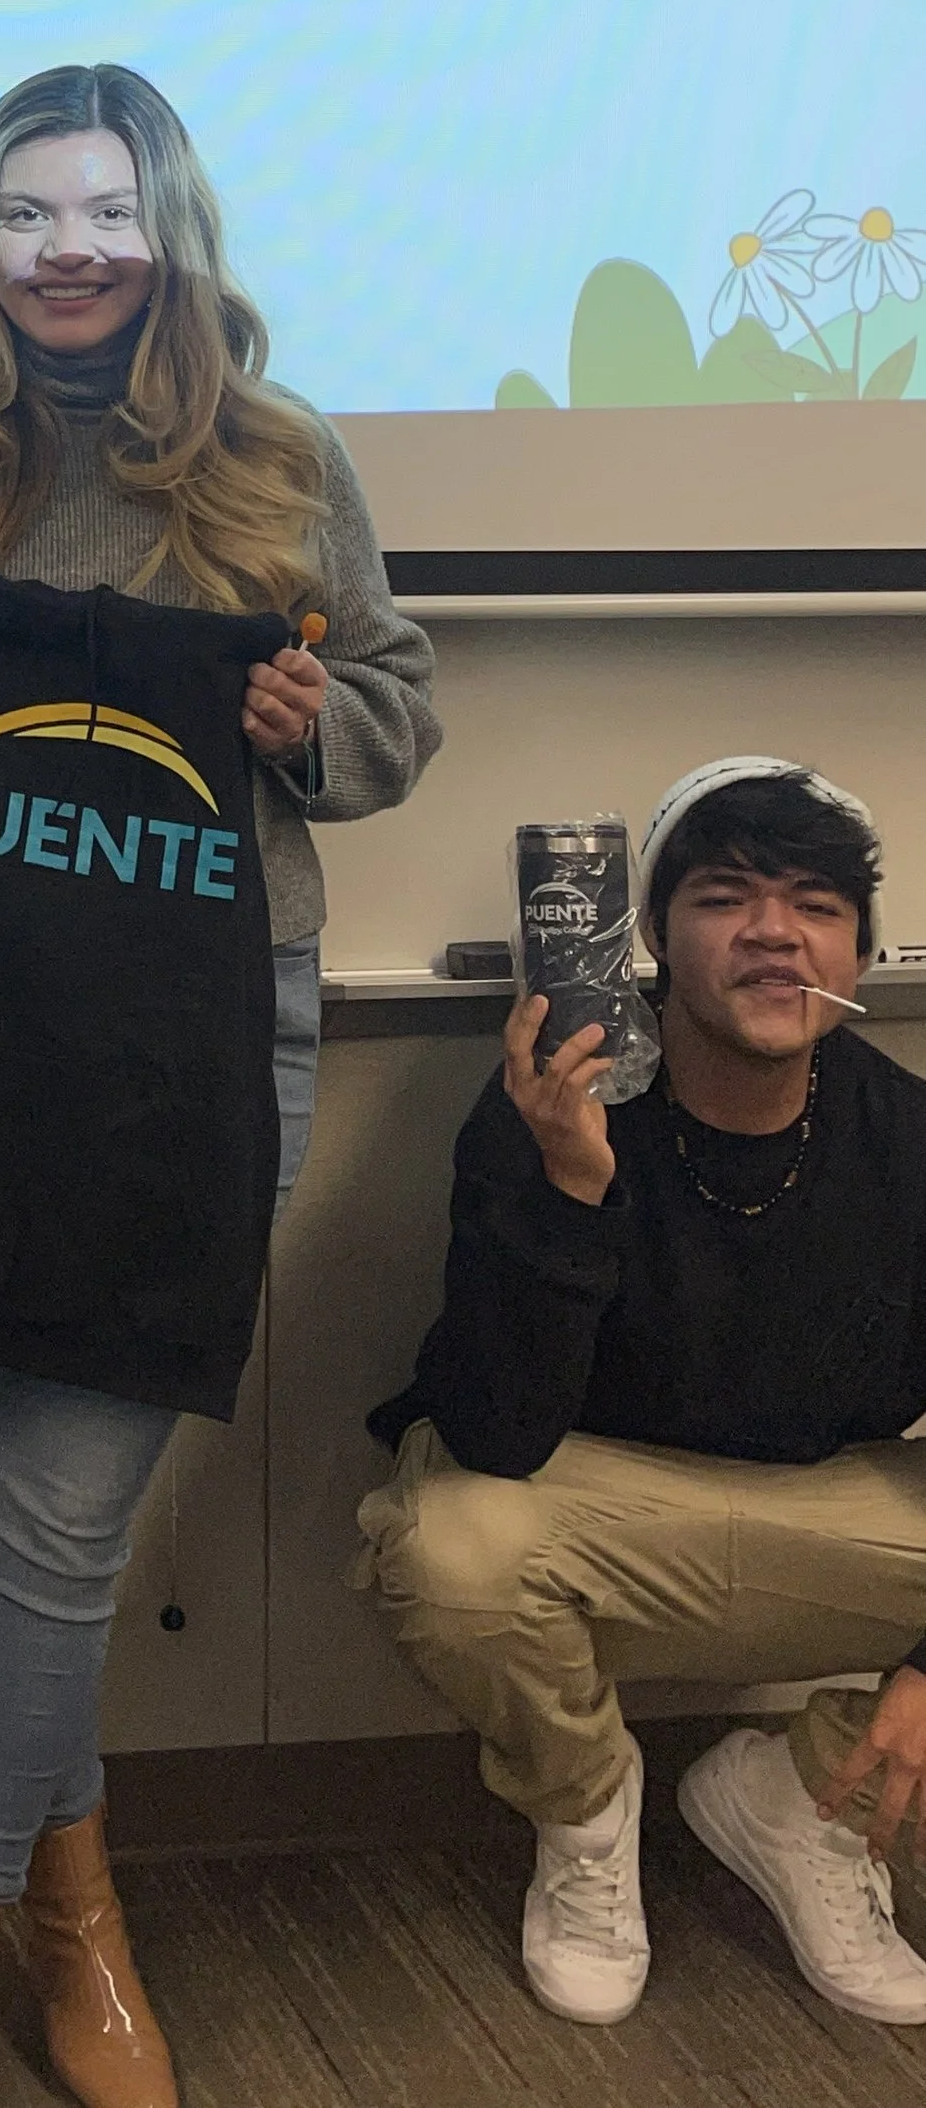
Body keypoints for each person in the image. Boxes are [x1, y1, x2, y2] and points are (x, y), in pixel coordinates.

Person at [0, 60, 437, 2108]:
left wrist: (310, 713)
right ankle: (80, 1920)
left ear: (169, 231)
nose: (67, 251)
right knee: (22, 1523)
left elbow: (398, 712)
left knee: (54, 1521)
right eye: (29, 212)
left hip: (200, 1033)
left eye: (105, 211)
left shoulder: (275, 458)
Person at [358, 756, 926, 2032]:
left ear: (860, 950)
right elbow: (491, 1432)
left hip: (821, 1516)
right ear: (654, 939)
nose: (774, 933)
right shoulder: (548, 1110)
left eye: (816, 904)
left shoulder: (907, 1140)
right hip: (584, 1508)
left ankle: (803, 1808)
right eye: (726, 897)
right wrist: (570, 1188)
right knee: (445, 1546)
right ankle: (585, 1821)